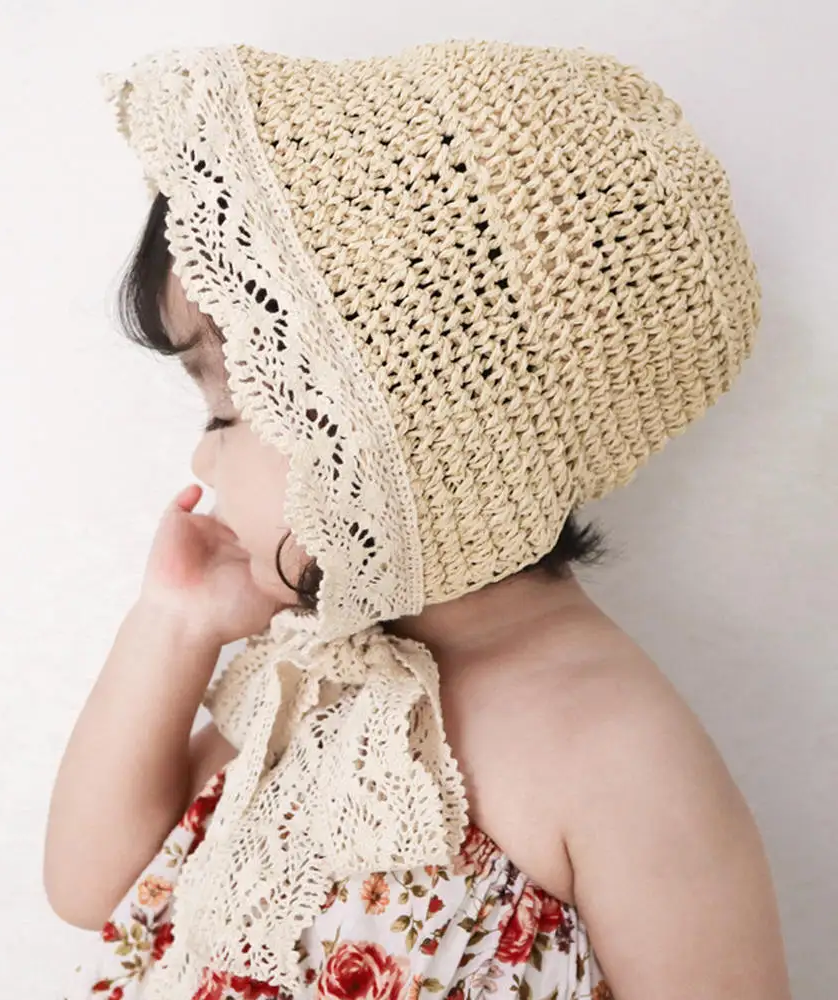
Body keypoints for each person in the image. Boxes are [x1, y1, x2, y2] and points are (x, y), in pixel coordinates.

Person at [45, 39, 792, 999]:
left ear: (414, 429)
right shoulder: (312, 668)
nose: (201, 460)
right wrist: (174, 625)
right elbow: (91, 887)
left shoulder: (611, 747)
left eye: (227, 412)